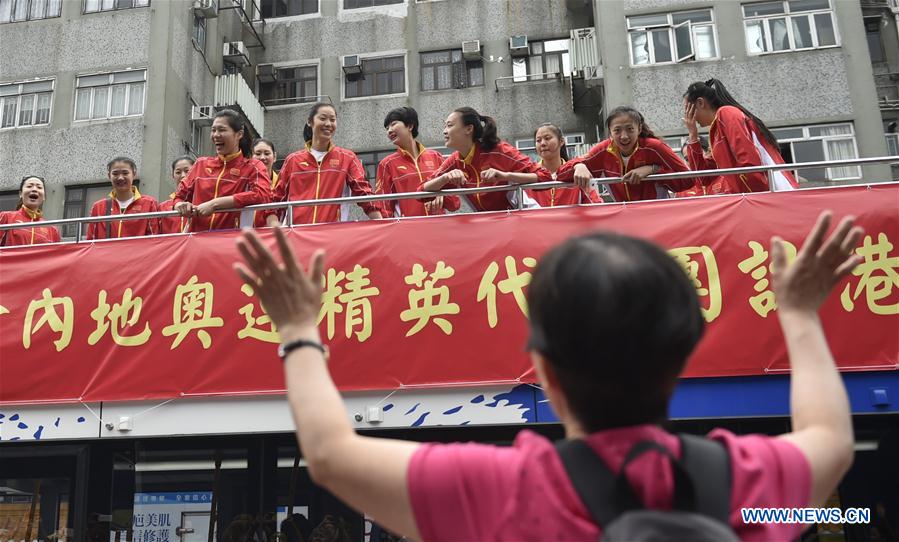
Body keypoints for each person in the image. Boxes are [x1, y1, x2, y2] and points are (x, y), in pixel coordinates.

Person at [233, 210, 862, 541]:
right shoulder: (747, 484)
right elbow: (831, 440)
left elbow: (330, 454)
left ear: (544, 372)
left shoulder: (505, 488)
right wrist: (800, 315)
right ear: (680, 361)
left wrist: (297, 328)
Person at [420, 107, 551, 212]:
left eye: (449, 125)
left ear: (469, 129)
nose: (444, 131)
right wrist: (445, 178)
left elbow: (545, 176)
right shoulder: (455, 161)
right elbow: (421, 193)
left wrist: (505, 176)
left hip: (519, 221)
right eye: (445, 126)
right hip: (487, 226)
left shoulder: (500, 151)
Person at [556, 106, 696, 202]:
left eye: (630, 129)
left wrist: (653, 170)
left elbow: (688, 179)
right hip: (624, 216)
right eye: (617, 131)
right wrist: (579, 166)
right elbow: (561, 174)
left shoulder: (654, 147)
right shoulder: (604, 150)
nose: (624, 136)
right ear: (610, 132)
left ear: (639, 128)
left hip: (657, 213)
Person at [683, 78, 798, 193]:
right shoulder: (716, 130)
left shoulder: (726, 113)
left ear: (700, 103)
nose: (687, 115)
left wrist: (751, 199)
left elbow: (749, 162)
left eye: (687, 109)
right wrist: (693, 136)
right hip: (759, 195)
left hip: (772, 192)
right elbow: (704, 178)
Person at [275, 103, 383, 225]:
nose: (328, 124)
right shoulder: (293, 160)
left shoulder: (347, 158)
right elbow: (277, 198)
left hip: (332, 234)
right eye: (323, 118)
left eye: (332, 120)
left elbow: (364, 192)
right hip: (297, 234)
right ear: (310, 122)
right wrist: (275, 231)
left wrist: (381, 222)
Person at [173, 109, 272, 232]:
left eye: (222, 130)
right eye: (213, 130)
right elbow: (179, 197)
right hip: (198, 241)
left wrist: (215, 204)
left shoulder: (253, 166)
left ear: (239, 134)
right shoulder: (201, 164)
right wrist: (181, 206)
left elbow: (262, 195)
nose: (215, 135)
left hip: (231, 241)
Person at [375, 107, 460, 217]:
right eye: (387, 128)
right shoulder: (387, 164)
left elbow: (454, 203)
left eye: (393, 124)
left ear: (410, 126)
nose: (389, 130)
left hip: (439, 226)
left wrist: (441, 195)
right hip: (409, 229)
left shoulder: (436, 157)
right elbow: (384, 206)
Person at [525, 123, 601, 207]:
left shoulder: (577, 171)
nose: (542, 143)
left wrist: (581, 167)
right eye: (538, 140)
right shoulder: (530, 174)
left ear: (561, 141)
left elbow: (595, 204)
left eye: (547, 138)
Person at [86, 157, 159, 240]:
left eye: (125, 173)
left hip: (139, 252)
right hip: (107, 252)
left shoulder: (149, 203)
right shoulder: (98, 207)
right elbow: (90, 241)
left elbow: (154, 239)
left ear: (134, 174)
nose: (120, 177)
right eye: (115, 174)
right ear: (109, 176)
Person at [0, 175, 60, 246]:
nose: (34, 189)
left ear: (44, 197)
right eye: (29, 186)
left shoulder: (52, 229)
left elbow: (57, 255)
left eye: (39, 187)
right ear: (20, 194)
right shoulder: (6, 217)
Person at [158, 156, 195, 234]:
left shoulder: (203, 201)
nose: (183, 175)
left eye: (187, 171)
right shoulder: (163, 207)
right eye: (178, 172)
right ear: (173, 175)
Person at [251, 138, 280, 227]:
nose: (262, 157)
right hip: (248, 233)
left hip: (274, 233)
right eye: (258, 154)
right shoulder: (244, 181)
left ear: (274, 157)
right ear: (251, 157)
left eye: (267, 153)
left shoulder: (281, 183)